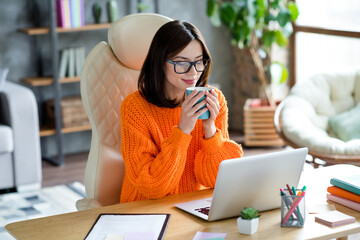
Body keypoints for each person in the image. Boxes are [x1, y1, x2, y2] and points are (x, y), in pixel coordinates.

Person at [120, 20, 243, 203]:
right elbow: (152, 186)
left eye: (199, 62)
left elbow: (217, 180)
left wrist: (210, 130)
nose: (193, 72)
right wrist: (183, 130)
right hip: (145, 210)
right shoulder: (135, 108)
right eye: (182, 63)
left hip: (192, 207)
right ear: (160, 62)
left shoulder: (213, 100)